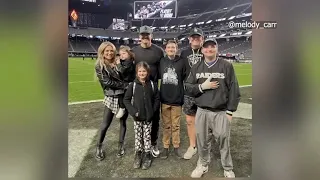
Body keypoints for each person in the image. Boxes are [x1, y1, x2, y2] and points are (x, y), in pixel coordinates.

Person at [185, 38, 241, 178]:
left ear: (217, 49)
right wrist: (202, 87)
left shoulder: (226, 66)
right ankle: (203, 164)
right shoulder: (196, 66)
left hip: (221, 111)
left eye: (212, 46)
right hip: (202, 111)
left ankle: (227, 167)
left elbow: (234, 89)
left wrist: (230, 111)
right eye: (206, 47)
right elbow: (188, 88)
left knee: (223, 140)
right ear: (202, 50)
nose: (209, 49)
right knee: (202, 141)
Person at [132, 25, 164, 157]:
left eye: (147, 34)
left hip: (153, 90)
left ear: (152, 36)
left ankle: (153, 143)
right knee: (139, 117)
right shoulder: (133, 51)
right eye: (142, 35)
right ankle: (140, 145)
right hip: (139, 90)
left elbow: (162, 71)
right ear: (139, 36)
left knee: (155, 117)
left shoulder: (159, 51)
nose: (145, 37)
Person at [94, 42, 130, 161]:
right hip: (112, 97)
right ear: (102, 52)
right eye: (106, 51)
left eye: (111, 51)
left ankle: (120, 146)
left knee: (123, 123)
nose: (109, 53)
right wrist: (125, 85)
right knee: (105, 124)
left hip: (123, 97)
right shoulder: (100, 65)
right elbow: (107, 83)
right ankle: (98, 147)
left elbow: (127, 74)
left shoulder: (119, 62)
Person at [123, 62, 160, 170]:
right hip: (137, 118)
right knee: (138, 137)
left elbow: (157, 99)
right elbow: (126, 100)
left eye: (144, 71)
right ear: (137, 73)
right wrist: (133, 111)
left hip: (148, 118)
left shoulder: (152, 85)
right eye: (140, 71)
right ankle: (138, 154)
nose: (142, 73)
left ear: (147, 72)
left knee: (147, 137)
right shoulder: (133, 85)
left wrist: (152, 111)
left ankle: (147, 155)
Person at [158, 40, 186, 159]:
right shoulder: (162, 61)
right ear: (165, 49)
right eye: (169, 47)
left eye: (173, 47)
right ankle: (165, 147)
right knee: (166, 125)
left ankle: (176, 147)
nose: (171, 49)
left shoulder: (182, 62)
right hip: (164, 98)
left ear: (176, 48)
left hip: (177, 99)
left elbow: (185, 79)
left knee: (176, 125)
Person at [180, 27, 204, 160]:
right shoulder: (184, 53)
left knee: (206, 120)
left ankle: (205, 147)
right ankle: (192, 146)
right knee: (190, 120)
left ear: (202, 39)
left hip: (205, 91)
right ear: (189, 39)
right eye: (193, 37)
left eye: (198, 37)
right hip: (189, 92)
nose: (196, 39)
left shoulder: (207, 50)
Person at [115, 45, 136, 118]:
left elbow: (122, 70)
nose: (121, 56)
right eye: (120, 54)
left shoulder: (129, 62)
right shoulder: (125, 61)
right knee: (122, 96)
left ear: (129, 54)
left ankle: (123, 108)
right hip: (125, 82)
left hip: (128, 83)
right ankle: (123, 108)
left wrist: (118, 63)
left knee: (123, 96)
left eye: (124, 53)